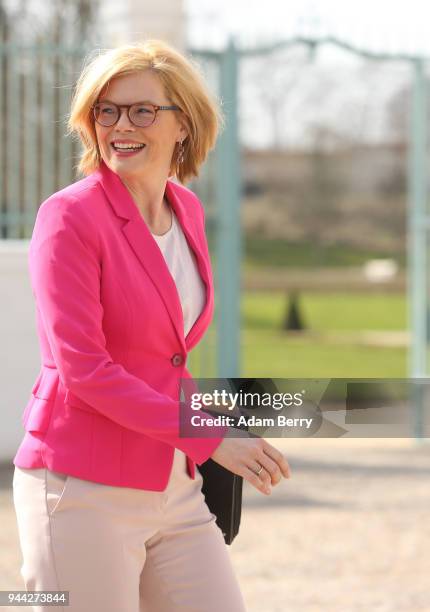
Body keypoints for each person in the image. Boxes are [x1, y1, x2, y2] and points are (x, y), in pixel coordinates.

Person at [12, 39, 291, 612]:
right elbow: (86, 371)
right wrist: (211, 437)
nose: (120, 125)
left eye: (142, 110)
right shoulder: (68, 217)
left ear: (183, 124)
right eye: (106, 111)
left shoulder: (185, 210)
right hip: (79, 491)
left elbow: (164, 360)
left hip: (174, 488)